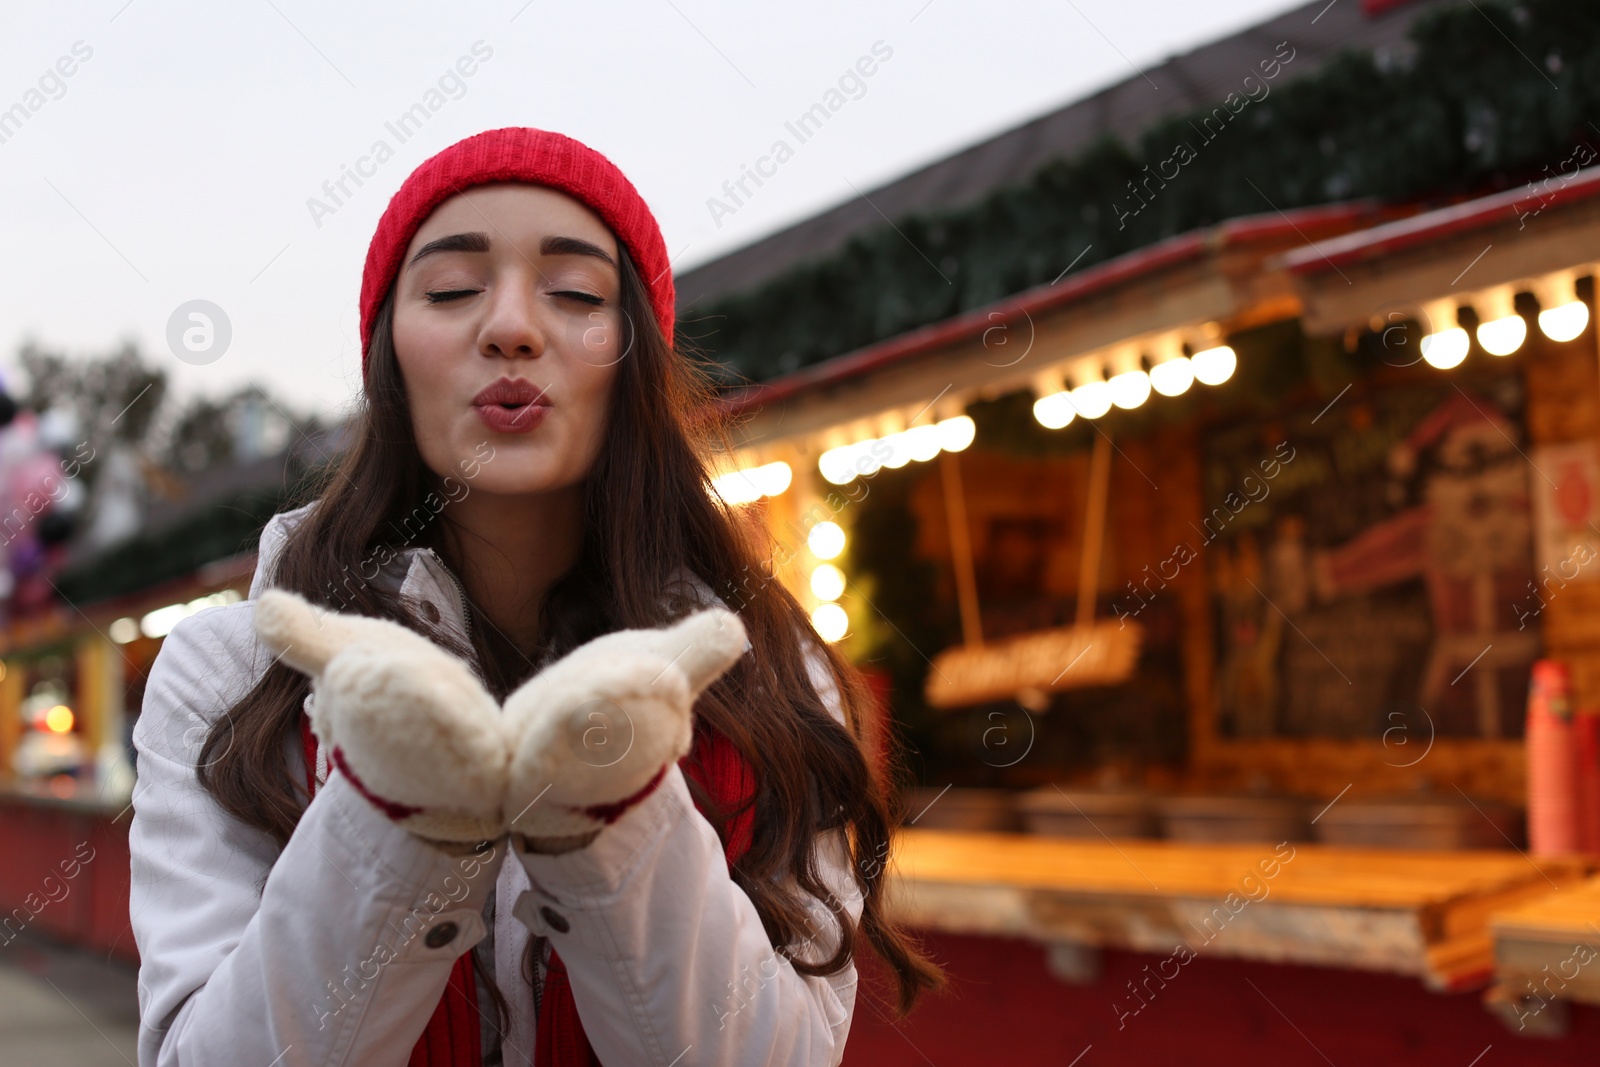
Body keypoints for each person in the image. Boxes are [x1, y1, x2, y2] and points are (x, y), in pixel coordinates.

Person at [129, 126, 940, 1066]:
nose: (512, 324)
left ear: (635, 355)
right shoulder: (230, 671)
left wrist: (618, 804)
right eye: (451, 290)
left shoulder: (766, 667)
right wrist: (393, 815)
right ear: (387, 354)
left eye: (576, 293)